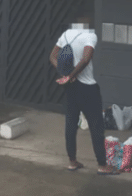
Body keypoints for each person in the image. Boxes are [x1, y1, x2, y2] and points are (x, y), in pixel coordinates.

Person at [49, 11, 119, 175]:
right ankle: (102, 165)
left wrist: (64, 75)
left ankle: (72, 162)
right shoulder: (90, 35)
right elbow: (86, 58)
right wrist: (72, 75)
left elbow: (52, 56)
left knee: (71, 124)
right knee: (96, 126)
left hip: (70, 88)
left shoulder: (66, 34)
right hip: (87, 88)